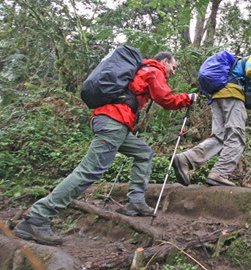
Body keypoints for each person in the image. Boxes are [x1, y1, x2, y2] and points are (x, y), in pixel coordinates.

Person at [13, 51, 198, 246]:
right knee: (90, 171)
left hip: (113, 122)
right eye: (173, 67)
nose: (173, 72)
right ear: (164, 61)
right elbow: (166, 99)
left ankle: (135, 201)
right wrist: (188, 98)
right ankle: (37, 217)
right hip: (113, 122)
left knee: (144, 153)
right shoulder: (154, 70)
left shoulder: (140, 70)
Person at [173, 52, 251, 187]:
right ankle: (220, 173)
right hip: (232, 96)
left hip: (218, 97)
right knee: (237, 136)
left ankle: (185, 159)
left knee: (219, 137)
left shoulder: (240, 65)